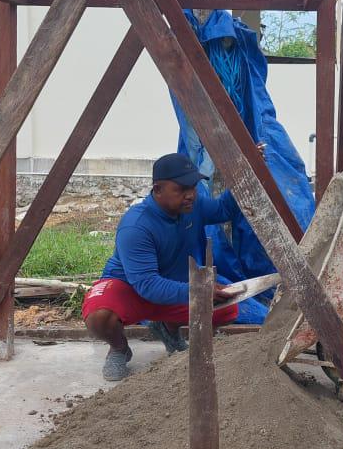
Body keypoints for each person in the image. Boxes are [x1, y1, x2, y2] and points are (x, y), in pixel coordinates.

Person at [82, 153, 239, 381]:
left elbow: (224, 210)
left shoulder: (193, 206)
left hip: (172, 287)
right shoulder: (136, 226)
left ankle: (168, 329)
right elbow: (147, 285)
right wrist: (199, 290)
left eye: (193, 187)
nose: (190, 194)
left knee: (228, 309)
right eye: (181, 189)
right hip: (130, 289)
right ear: (158, 189)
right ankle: (119, 348)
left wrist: (242, 174)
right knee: (99, 317)